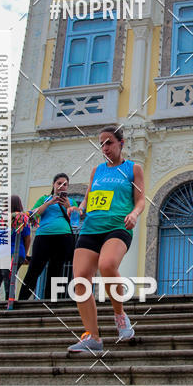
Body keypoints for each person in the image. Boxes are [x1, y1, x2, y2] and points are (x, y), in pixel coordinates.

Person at [67, 124, 145, 352]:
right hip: (92, 227)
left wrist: (134, 213)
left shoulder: (133, 168)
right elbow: (89, 197)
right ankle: (93, 337)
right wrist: (80, 209)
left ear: (121, 143)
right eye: (101, 144)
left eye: (109, 142)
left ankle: (120, 316)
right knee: (80, 279)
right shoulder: (97, 171)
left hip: (118, 226)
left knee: (108, 264)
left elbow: (140, 199)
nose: (105, 147)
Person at [18, 173, 75, 302]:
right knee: (35, 268)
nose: (62, 186)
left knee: (56, 269)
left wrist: (67, 206)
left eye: (65, 184)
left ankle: (51, 301)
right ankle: (22, 300)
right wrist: (49, 203)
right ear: (53, 185)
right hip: (44, 236)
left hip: (63, 237)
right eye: (59, 183)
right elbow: (33, 216)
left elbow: (76, 219)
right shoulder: (44, 198)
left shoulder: (71, 201)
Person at [0, 195, 31, 302]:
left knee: (8, 283)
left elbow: (27, 239)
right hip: (2, 255)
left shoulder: (21, 220)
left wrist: (24, 254)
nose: (3, 207)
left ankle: (9, 306)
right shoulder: (2, 220)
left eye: (6, 205)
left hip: (14, 253)